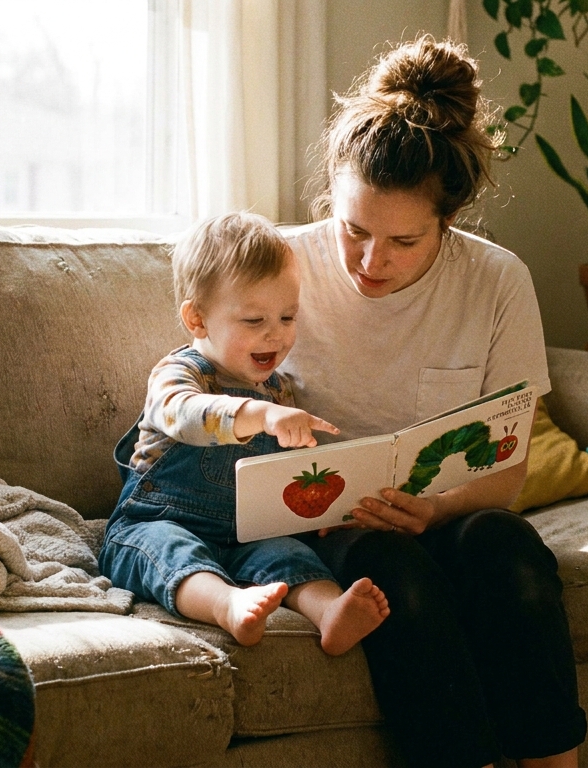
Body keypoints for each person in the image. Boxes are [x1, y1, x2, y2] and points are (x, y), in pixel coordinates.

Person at [279, 36, 586, 768]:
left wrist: (439, 507)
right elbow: (208, 383)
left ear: (448, 220)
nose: (369, 262)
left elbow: (506, 474)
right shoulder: (283, 266)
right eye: (353, 230)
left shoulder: (497, 282)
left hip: (447, 512)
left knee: (508, 550)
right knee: (395, 578)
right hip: (332, 527)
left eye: (403, 241)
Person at [99, 211, 391, 655]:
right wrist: (257, 414)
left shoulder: (279, 390)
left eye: (288, 317)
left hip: (248, 532)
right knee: (172, 552)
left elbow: (286, 475)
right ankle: (227, 605)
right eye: (254, 321)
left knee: (290, 556)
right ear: (197, 321)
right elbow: (183, 414)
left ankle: (330, 612)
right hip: (157, 520)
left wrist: (326, 511)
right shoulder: (179, 374)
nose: (275, 335)